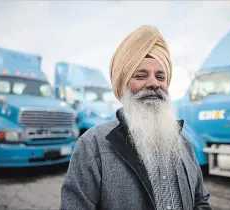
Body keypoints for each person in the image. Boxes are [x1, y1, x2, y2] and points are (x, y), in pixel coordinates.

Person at [60, 25, 212, 210]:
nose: (154, 83)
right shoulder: (92, 146)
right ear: (123, 85)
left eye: (160, 76)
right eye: (141, 75)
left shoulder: (184, 145)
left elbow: (200, 201)